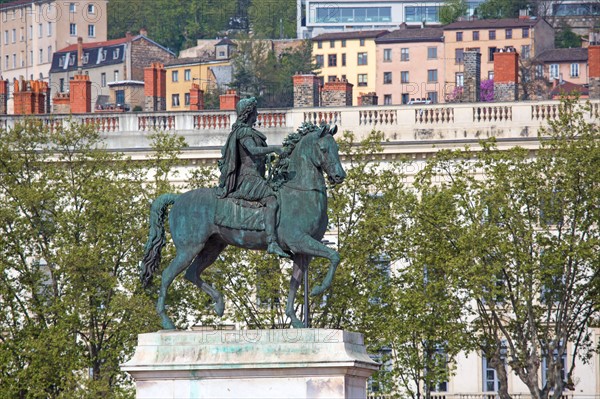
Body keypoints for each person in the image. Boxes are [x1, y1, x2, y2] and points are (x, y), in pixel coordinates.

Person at [217, 97, 289, 258]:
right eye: (255, 110)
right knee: (271, 200)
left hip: (255, 175)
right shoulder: (243, 132)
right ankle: (271, 242)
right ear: (249, 113)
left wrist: (268, 159)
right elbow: (253, 150)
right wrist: (274, 149)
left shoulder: (249, 132)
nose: (257, 113)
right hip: (246, 178)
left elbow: (256, 156)